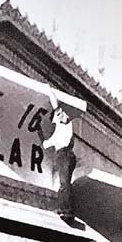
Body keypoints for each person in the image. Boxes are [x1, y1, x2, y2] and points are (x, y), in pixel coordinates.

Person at [40, 89, 76, 221]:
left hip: (65, 154)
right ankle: (63, 209)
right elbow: (45, 144)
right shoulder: (55, 135)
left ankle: (67, 211)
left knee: (64, 183)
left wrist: (49, 92)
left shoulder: (64, 124)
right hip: (63, 155)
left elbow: (57, 107)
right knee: (63, 183)